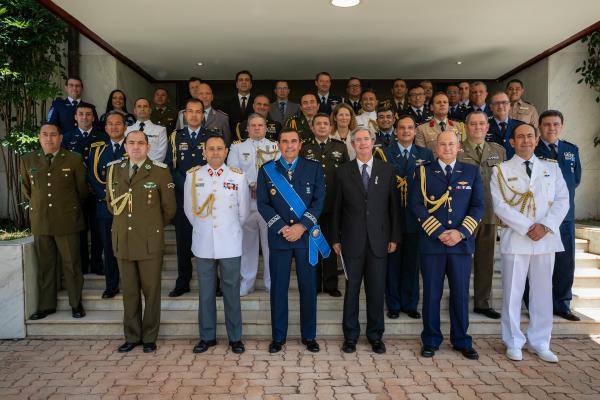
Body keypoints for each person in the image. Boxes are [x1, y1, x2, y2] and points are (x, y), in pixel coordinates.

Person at [490, 123, 569, 363]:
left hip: (545, 239)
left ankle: (540, 342)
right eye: (520, 137)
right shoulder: (500, 170)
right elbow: (499, 205)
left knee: (543, 293)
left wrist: (545, 226)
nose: (525, 140)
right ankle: (513, 341)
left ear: (537, 140)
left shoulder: (551, 169)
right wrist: (527, 227)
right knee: (513, 293)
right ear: (511, 142)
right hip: (516, 238)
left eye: (530, 136)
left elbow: (563, 200)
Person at [409, 130, 484, 360]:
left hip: (460, 245)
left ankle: (461, 340)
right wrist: (440, 232)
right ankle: (431, 339)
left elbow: (478, 206)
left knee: (460, 293)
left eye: (451, 144)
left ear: (459, 146)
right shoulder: (423, 171)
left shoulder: (471, 171)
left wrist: (461, 233)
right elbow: (416, 205)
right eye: (443, 144)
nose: (447, 148)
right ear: (436, 147)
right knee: (432, 293)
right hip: (433, 244)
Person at [256, 128, 327, 354]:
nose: (289, 146)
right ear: (278, 145)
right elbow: (263, 204)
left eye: (293, 141)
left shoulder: (313, 168)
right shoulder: (267, 170)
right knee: (278, 289)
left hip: (305, 238)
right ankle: (278, 337)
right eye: (284, 142)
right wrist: (282, 228)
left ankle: (309, 336)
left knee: (308, 288)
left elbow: (318, 201)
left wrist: (301, 226)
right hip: (280, 238)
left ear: (300, 144)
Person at [107, 130, 176, 353]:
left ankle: (149, 337)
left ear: (148, 147)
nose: (136, 147)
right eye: (131, 143)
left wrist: (150, 227)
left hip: (148, 241)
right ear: (125, 146)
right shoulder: (114, 170)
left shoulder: (159, 172)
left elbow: (169, 209)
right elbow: (111, 204)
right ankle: (132, 336)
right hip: (123, 239)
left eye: (140, 143)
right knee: (129, 292)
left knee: (151, 291)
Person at [332, 128, 399, 354]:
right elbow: (336, 209)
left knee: (376, 291)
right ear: (352, 144)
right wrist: (335, 238)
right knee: (351, 291)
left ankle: (375, 336)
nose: (362, 143)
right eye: (358, 140)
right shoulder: (342, 172)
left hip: (379, 241)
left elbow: (394, 208)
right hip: (351, 242)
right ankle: (350, 336)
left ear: (373, 142)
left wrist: (394, 237)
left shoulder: (387, 170)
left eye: (366, 139)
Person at [185, 135, 250, 354]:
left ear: (226, 151)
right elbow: (190, 211)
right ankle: (207, 336)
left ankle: (235, 338)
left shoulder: (238, 177)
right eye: (210, 149)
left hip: (230, 242)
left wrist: (228, 230)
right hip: (203, 242)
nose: (215, 152)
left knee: (231, 290)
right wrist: (205, 229)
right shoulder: (193, 176)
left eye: (219, 148)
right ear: (204, 152)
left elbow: (243, 212)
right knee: (205, 292)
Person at [20, 123, 88, 320]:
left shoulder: (73, 159)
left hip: (67, 220)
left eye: (53, 135)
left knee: (72, 265)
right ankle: (46, 305)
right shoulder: (27, 159)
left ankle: (76, 304)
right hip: (41, 220)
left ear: (60, 138)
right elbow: (27, 189)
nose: (49, 138)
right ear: (39, 137)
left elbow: (81, 191)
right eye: (44, 135)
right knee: (46, 265)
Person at [382, 115, 434, 320]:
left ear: (415, 131)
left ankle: (410, 303)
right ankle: (393, 303)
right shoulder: (384, 153)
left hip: (416, 218)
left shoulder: (426, 154)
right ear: (396, 131)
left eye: (410, 128)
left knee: (413, 264)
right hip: (391, 217)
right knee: (392, 263)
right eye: (401, 128)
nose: (405, 131)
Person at [457, 111, 506, 319]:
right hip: (463, 216)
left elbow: (505, 184)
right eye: (473, 124)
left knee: (485, 261)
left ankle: (482, 302)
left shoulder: (499, 151)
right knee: (461, 262)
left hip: (488, 214)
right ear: (466, 127)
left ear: (487, 127)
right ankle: (458, 300)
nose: (477, 127)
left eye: (482, 124)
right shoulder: (457, 150)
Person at [535, 110, 581, 321]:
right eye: (546, 124)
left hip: (565, 217)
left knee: (565, 262)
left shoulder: (571, 150)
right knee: (538, 263)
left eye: (555, 124)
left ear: (561, 126)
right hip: (540, 218)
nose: (551, 128)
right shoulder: (532, 150)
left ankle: (562, 303)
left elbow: (576, 179)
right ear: (540, 127)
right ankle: (535, 303)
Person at [227, 113, 280, 296]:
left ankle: (271, 282)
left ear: (266, 128)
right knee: (247, 245)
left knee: (270, 245)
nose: (257, 128)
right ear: (247, 128)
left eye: (260, 125)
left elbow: (280, 172)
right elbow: (233, 171)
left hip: (270, 204)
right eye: (253, 125)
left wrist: (263, 188)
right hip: (246, 201)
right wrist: (251, 184)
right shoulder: (237, 148)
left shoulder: (275, 147)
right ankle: (247, 283)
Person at [164, 98, 211, 298]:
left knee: (209, 242)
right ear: (184, 115)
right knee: (183, 243)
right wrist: (187, 184)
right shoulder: (176, 136)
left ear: (203, 115)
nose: (193, 115)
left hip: (207, 199)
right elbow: (170, 166)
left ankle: (212, 282)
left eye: (198, 111)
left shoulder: (211, 137)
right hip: (183, 198)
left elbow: (216, 165)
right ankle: (183, 282)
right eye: (190, 111)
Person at [301, 113, 349, 297]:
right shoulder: (305, 148)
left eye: (325, 124)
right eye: (318, 124)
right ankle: (313, 284)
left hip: (332, 205)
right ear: (312, 127)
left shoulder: (340, 147)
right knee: (312, 245)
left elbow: (346, 176)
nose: (322, 126)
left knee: (329, 244)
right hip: (310, 206)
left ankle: (330, 284)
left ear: (331, 127)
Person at [61, 102, 107, 275]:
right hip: (75, 193)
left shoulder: (102, 137)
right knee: (79, 229)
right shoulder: (67, 138)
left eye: (88, 114)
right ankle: (82, 264)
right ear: (75, 117)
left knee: (97, 230)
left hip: (97, 192)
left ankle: (96, 264)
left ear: (93, 117)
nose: (85, 117)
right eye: (81, 114)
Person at [87, 111, 127, 298]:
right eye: (110, 124)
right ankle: (111, 285)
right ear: (105, 127)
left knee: (129, 246)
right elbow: (92, 178)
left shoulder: (132, 148)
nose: (114, 127)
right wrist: (110, 196)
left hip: (129, 206)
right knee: (109, 248)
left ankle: (131, 283)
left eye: (118, 124)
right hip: (105, 207)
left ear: (125, 127)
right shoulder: (98, 151)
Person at [414, 92, 463, 157]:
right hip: (432, 166)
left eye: (445, 102)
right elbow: (422, 155)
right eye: (438, 102)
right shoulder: (421, 129)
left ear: (448, 106)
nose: (442, 104)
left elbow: (463, 152)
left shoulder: (459, 126)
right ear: (431, 107)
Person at [126, 98, 168, 162]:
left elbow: (161, 154)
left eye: (145, 106)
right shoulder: (127, 130)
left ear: (150, 110)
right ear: (134, 110)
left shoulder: (160, 130)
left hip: (152, 169)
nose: (142, 109)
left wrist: (146, 167)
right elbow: (125, 151)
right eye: (139, 106)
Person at [485, 91, 522, 159]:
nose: (500, 106)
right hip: (491, 167)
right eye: (497, 103)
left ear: (509, 106)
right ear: (491, 107)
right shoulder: (483, 127)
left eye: (504, 102)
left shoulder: (520, 126)